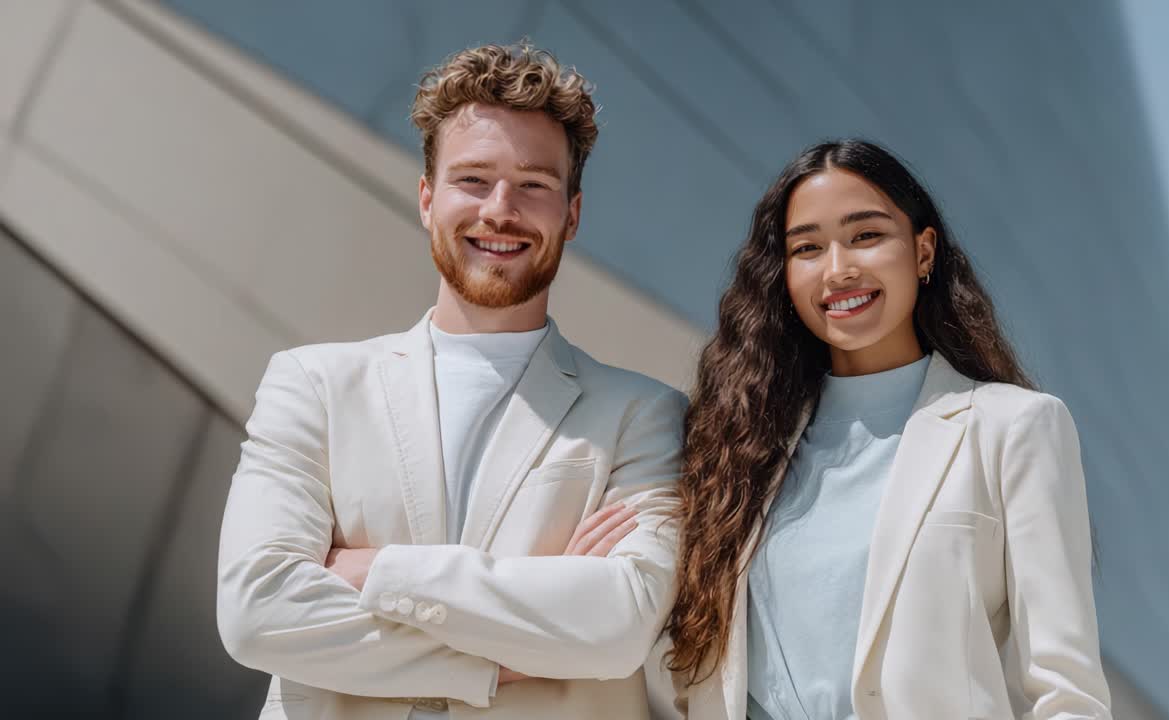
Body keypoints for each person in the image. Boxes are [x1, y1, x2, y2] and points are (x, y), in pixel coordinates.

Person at [217, 42, 685, 720]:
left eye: (534, 185)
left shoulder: (645, 415)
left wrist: (376, 571)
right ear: (427, 199)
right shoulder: (311, 384)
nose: (501, 209)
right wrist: (505, 650)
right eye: (473, 180)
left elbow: (616, 629)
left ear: (572, 214)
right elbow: (257, 611)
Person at [665, 140, 1112, 720]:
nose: (838, 269)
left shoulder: (1013, 427)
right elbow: (699, 680)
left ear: (923, 252)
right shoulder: (739, 448)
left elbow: (1068, 694)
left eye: (866, 236)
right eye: (807, 248)